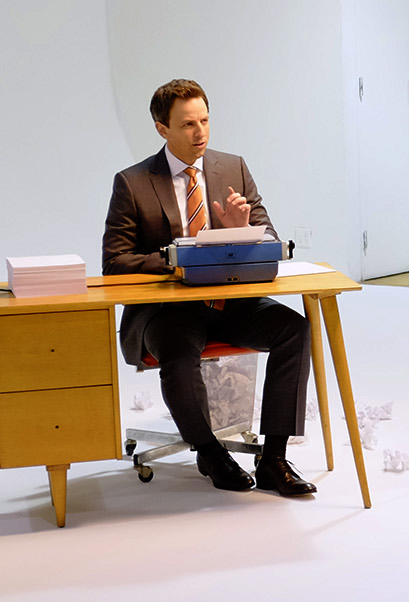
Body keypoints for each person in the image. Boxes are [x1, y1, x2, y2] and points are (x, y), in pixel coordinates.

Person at [103, 79, 316, 497]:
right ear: (162, 128)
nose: (200, 132)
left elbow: (270, 239)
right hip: (168, 311)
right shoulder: (133, 182)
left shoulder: (233, 168)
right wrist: (180, 258)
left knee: (295, 330)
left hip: (231, 304)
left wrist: (243, 232)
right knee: (178, 349)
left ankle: (273, 459)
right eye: (187, 124)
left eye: (204, 121)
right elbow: (114, 261)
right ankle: (210, 452)